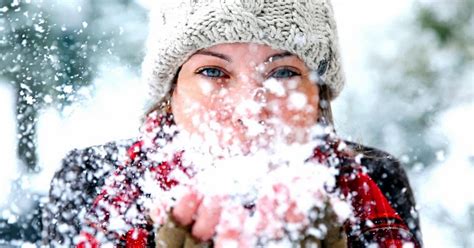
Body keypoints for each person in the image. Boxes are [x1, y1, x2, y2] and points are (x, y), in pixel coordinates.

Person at [42, 0, 422, 247]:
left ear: (317, 95)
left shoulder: (378, 181)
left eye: (283, 73)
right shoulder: (91, 179)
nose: (250, 109)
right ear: (172, 92)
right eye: (213, 71)